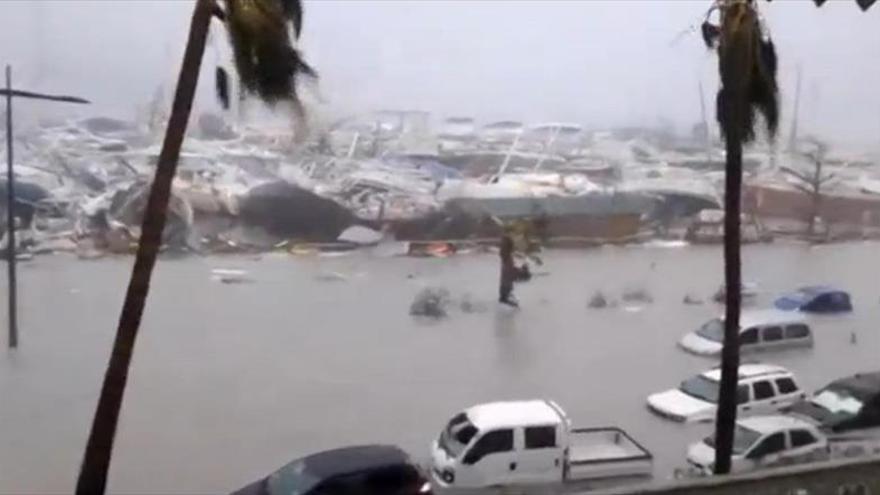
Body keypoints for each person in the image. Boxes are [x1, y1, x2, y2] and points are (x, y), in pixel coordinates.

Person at [498, 233, 531, 307]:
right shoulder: (506, 257)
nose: (501, 246)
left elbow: (511, 271)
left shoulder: (507, 257)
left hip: (506, 286)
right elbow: (511, 272)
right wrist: (523, 271)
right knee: (506, 302)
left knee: (505, 301)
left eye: (503, 244)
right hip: (506, 286)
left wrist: (522, 270)